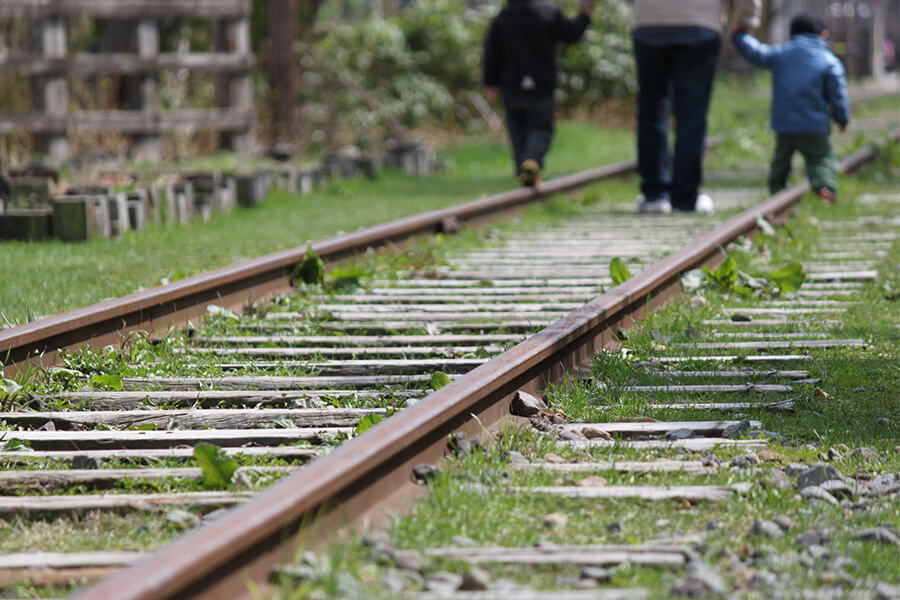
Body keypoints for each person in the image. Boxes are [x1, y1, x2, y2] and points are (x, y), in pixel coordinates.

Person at [632, 0, 761, 214]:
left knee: (651, 110)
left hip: (649, 21)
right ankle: (684, 198)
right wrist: (746, 19)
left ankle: (655, 195)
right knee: (692, 114)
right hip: (700, 23)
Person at [732, 13, 850, 202]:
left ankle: (776, 191)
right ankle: (824, 188)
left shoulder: (781, 54)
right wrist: (841, 118)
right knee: (820, 159)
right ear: (823, 35)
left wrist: (740, 36)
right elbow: (837, 94)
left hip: (784, 123)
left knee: (781, 160)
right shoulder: (829, 61)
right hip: (815, 126)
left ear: (792, 34)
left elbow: (756, 52)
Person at [483, 0, 593, 187]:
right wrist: (584, 15)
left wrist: (490, 82)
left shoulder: (503, 16)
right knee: (541, 128)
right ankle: (532, 161)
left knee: (518, 132)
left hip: (512, 85)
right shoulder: (549, 11)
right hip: (542, 84)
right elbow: (571, 34)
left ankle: (523, 173)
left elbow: (491, 51)